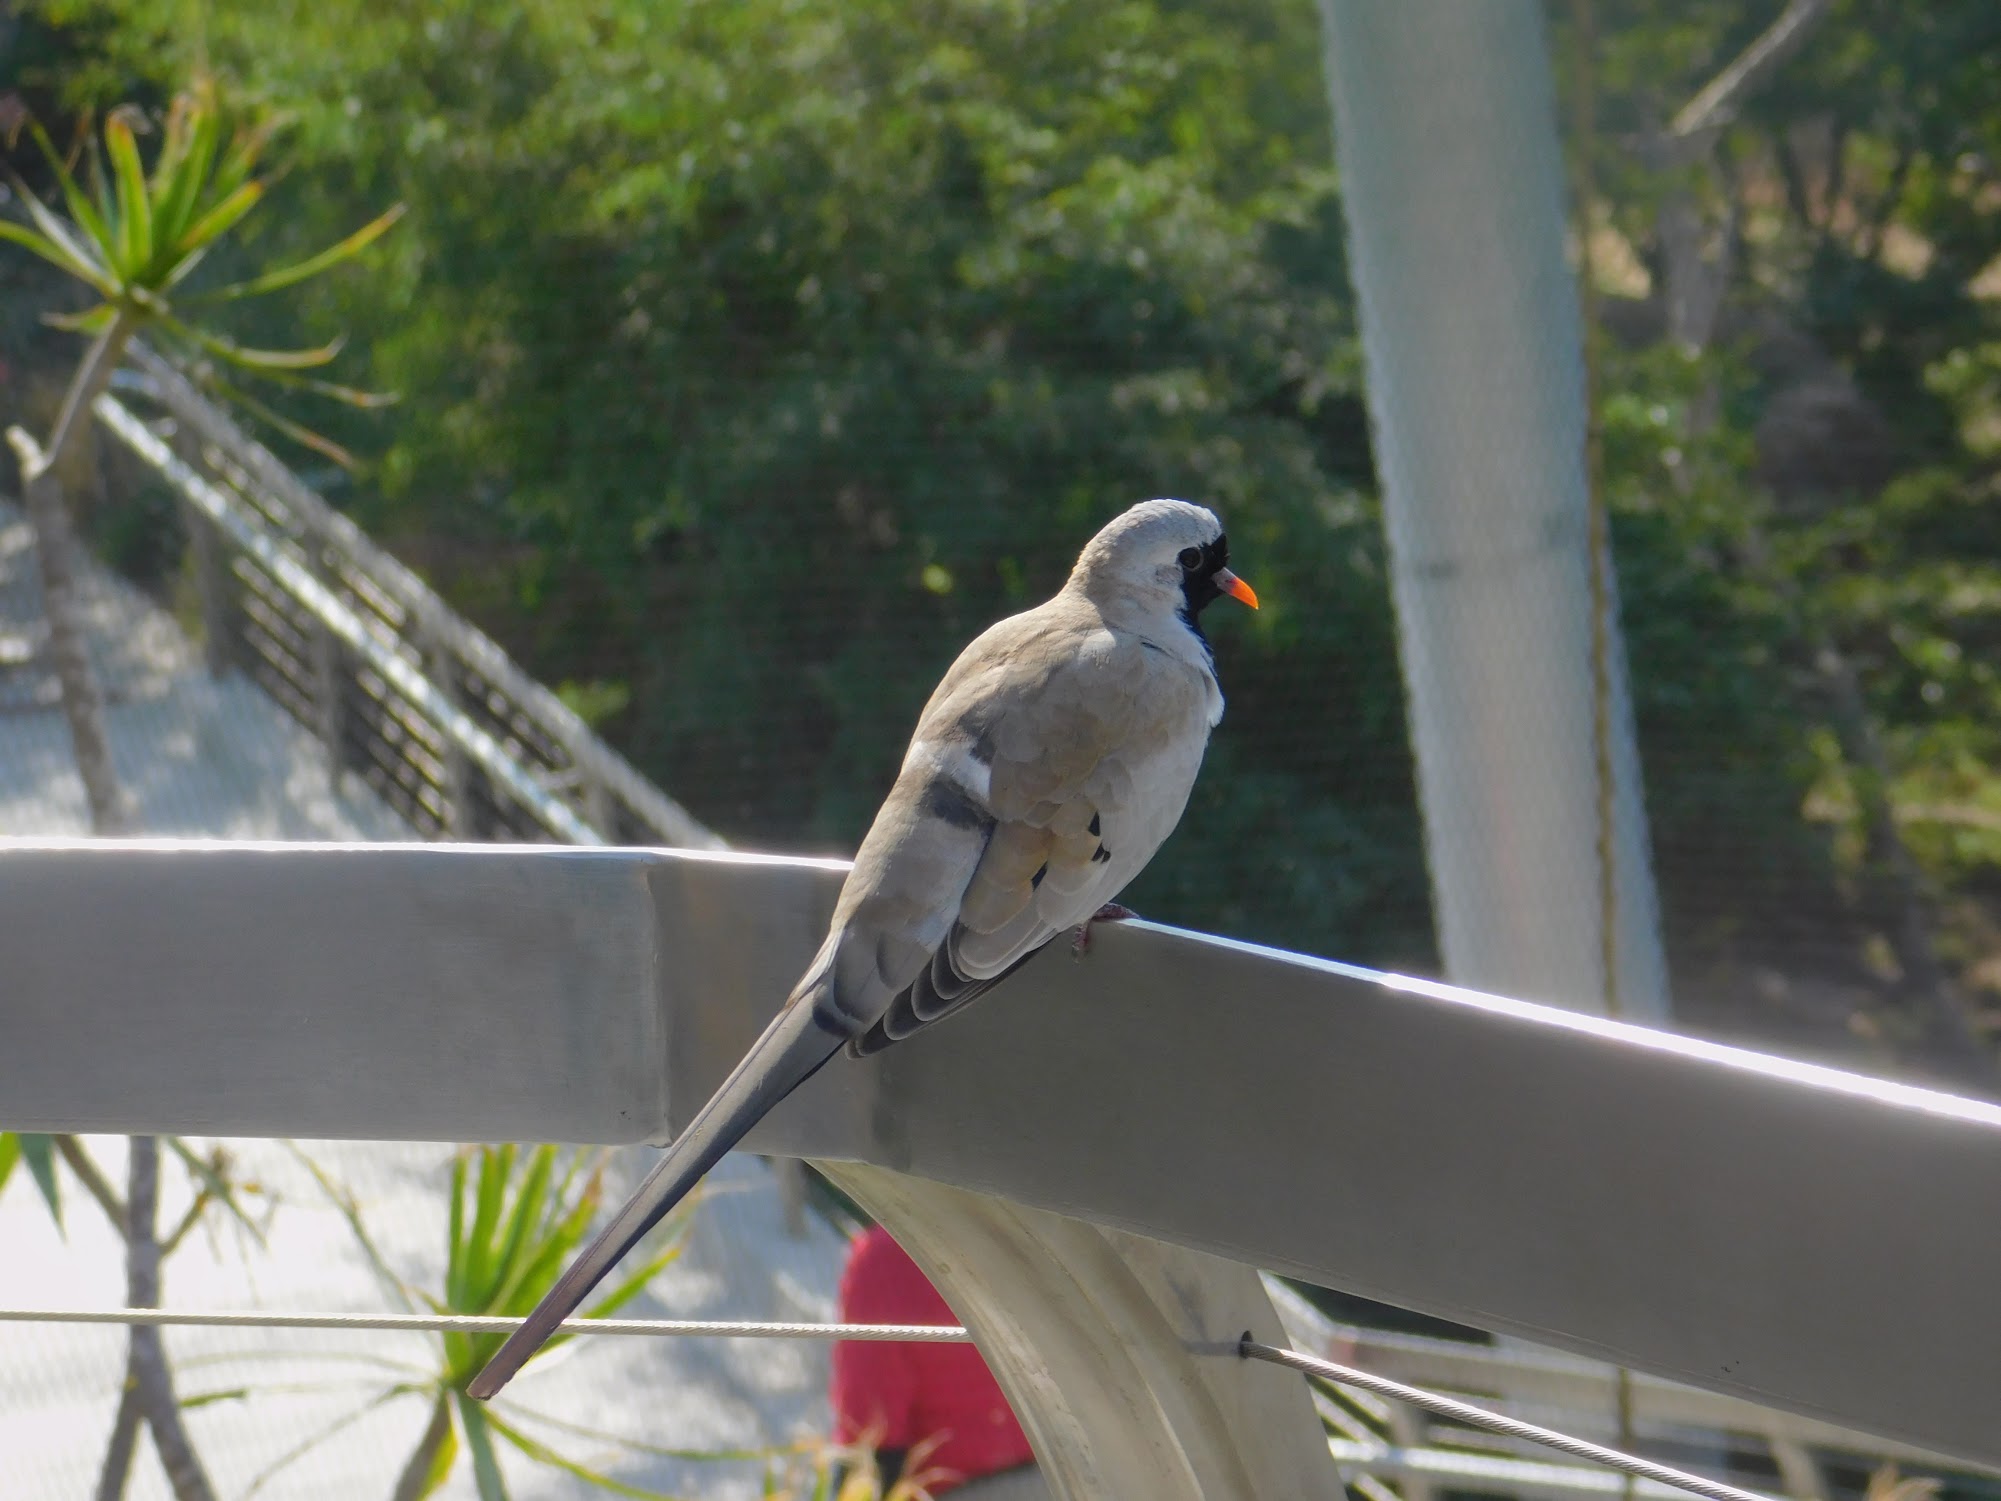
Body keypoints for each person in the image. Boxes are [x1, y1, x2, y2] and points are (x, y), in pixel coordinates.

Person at [830, 1225, 1046, 1498]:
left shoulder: (885, 1257)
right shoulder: (1035, 1235)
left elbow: (870, 1425)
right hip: (1059, 1477)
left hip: (954, 1487)